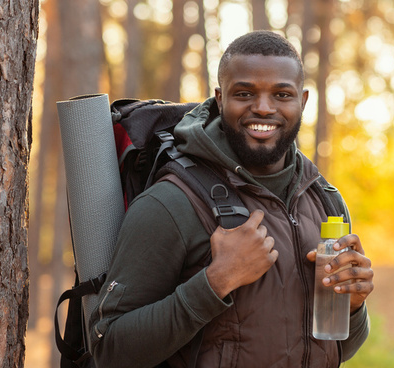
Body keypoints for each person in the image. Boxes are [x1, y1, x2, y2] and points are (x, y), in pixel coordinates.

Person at [89, 30, 374, 367]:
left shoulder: (325, 200)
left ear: (303, 100)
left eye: (282, 94)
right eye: (244, 93)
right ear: (220, 99)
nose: (264, 108)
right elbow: (109, 350)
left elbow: (335, 350)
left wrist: (353, 306)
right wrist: (216, 282)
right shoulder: (172, 203)